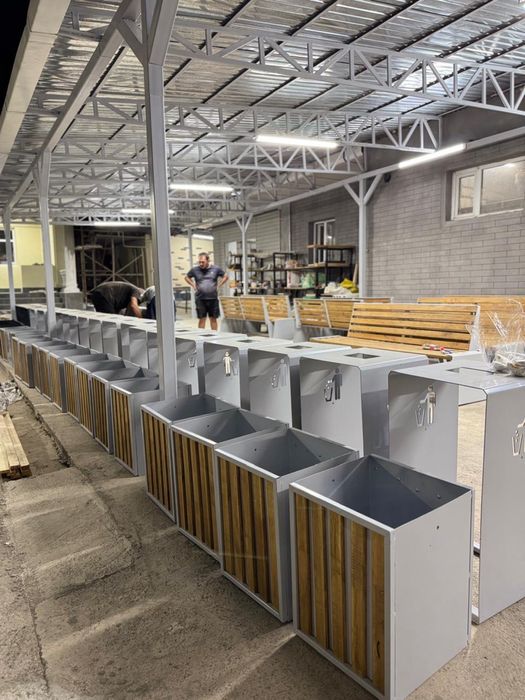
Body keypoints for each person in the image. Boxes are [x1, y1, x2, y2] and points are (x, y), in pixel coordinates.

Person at [184, 253, 228, 330]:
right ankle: (201, 336)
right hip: (200, 299)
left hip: (213, 298)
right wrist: (193, 285)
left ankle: (214, 335)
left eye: (203, 262)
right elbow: (186, 277)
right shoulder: (195, 270)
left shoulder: (216, 269)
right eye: (199, 262)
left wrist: (219, 285)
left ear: (208, 260)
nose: (201, 264)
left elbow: (225, 276)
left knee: (213, 319)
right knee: (202, 318)